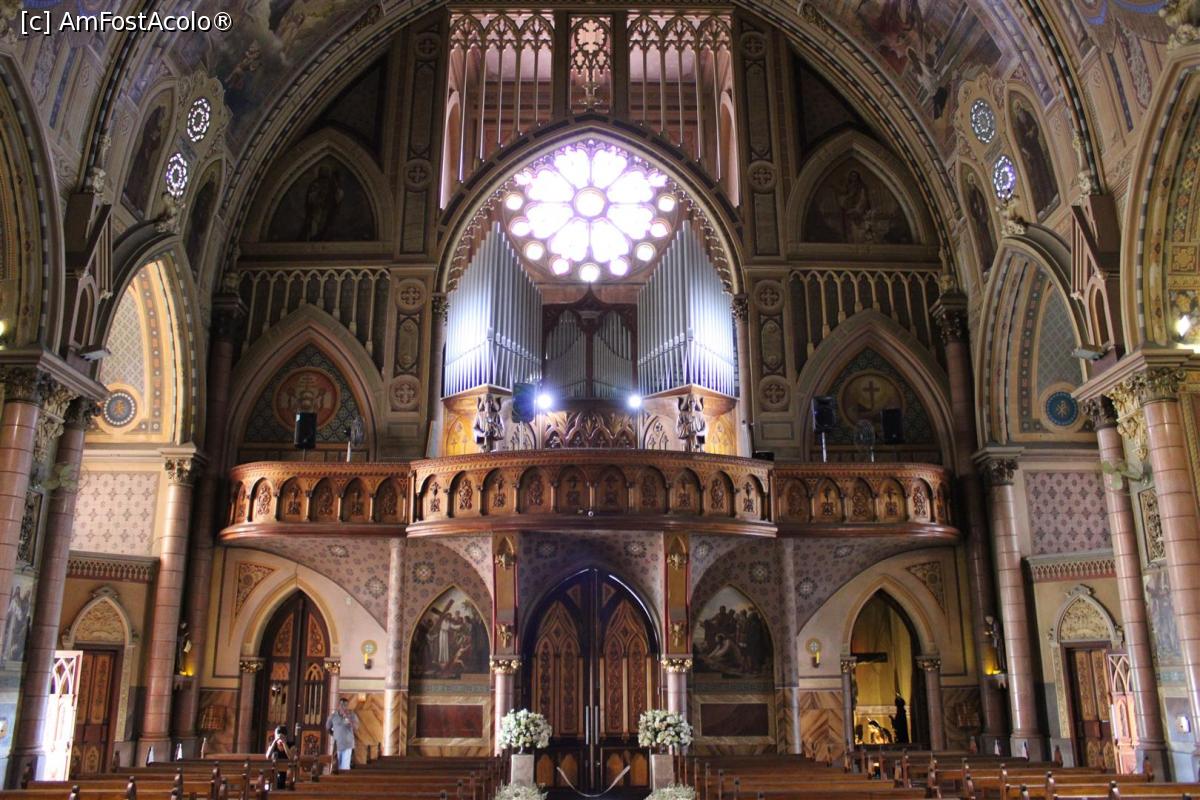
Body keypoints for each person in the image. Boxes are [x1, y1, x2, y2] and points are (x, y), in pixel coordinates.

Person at [327, 697, 359, 771]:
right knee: (336, 766)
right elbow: (328, 728)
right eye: (341, 705)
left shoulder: (352, 715)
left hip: (348, 744)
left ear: (347, 706)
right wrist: (334, 735)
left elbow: (356, 727)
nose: (343, 707)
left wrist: (348, 718)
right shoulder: (333, 716)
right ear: (338, 705)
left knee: (345, 767)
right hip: (337, 745)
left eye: (345, 705)